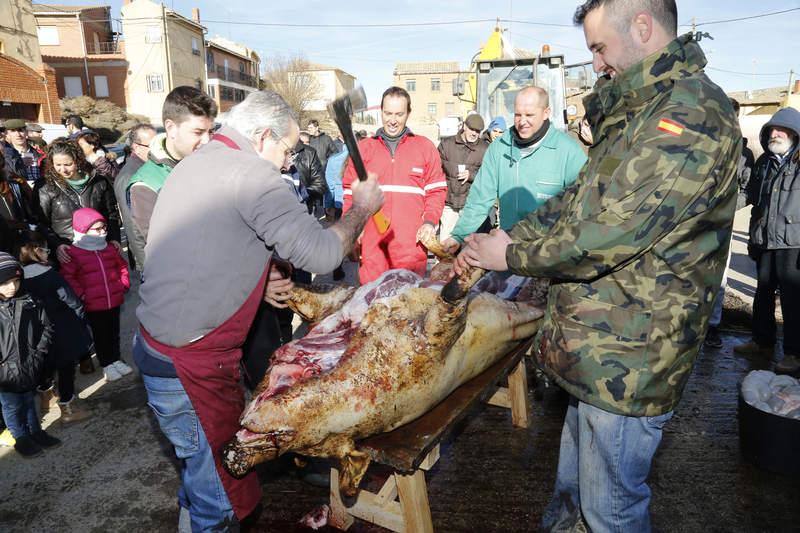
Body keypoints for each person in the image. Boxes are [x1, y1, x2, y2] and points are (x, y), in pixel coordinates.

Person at [455, 1, 741, 530]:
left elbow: (608, 232)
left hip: (632, 360)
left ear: (642, 26)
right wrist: (514, 231)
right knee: (574, 497)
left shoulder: (688, 115)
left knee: (609, 510)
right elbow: (579, 202)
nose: (597, 63)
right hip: (597, 352)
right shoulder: (640, 110)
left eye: (599, 48)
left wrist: (512, 255)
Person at [132, 90, 383, 531]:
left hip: (157, 347)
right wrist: (362, 207)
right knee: (220, 497)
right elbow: (322, 255)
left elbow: (204, 241)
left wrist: (257, 275)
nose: (288, 162)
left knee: (197, 471)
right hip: (191, 362)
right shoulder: (253, 174)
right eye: (287, 150)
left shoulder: (199, 160)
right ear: (263, 136)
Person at [442, 87, 587, 253]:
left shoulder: (568, 151)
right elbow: (479, 199)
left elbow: (583, 207)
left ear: (546, 112)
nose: (522, 121)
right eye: (518, 115)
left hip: (550, 254)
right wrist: (458, 237)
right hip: (508, 252)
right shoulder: (499, 148)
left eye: (529, 115)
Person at [342, 86, 447, 284]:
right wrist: (350, 232)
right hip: (373, 249)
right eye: (388, 113)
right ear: (381, 111)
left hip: (411, 251)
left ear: (408, 113)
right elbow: (349, 195)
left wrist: (429, 221)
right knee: (371, 309)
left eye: (399, 114)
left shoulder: (425, 147)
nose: (392, 120)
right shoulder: (364, 149)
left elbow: (436, 191)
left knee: (408, 310)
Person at [735, 107, 800, 375]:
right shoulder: (764, 163)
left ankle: (795, 354)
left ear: (795, 134)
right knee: (763, 294)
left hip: (793, 244)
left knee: (793, 299)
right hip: (764, 240)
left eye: (781, 130)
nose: (775, 134)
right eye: (772, 130)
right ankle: (762, 342)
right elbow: (749, 196)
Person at [20, 233, 93, 423]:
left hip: (36, 331)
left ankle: (46, 397)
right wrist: (81, 318)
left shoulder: (19, 279)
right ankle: (67, 408)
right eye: (45, 250)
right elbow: (70, 300)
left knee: (44, 363)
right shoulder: (50, 275)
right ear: (36, 252)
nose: (47, 254)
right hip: (62, 327)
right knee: (66, 367)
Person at [127, 86, 217, 241]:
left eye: (210, 131)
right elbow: (161, 246)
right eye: (198, 132)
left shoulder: (211, 163)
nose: (207, 140)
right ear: (171, 128)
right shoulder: (146, 185)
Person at [0, 252, 60, 458]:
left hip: (29, 363)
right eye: (4, 283)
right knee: (11, 406)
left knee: (28, 400)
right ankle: (20, 437)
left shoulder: (29, 301)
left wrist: (38, 352)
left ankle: (35, 431)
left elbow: (46, 326)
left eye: (15, 281)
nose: (11, 287)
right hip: (5, 373)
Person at [60, 208, 130, 382]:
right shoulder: (74, 252)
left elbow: (121, 266)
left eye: (103, 228)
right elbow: (69, 277)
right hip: (93, 304)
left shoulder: (108, 248)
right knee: (101, 335)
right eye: (97, 229)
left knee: (114, 332)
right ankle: (107, 363)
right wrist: (82, 295)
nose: (103, 232)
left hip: (113, 299)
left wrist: (123, 284)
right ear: (83, 230)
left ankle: (116, 359)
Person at [38, 139, 121, 266]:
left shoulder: (99, 182)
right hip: (68, 253)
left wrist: (115, 238)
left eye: (68, 164)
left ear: (78, 161)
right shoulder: (45, 187)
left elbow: (111, 214)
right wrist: (57, 245)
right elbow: (41, 222)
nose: (63, 169)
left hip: (99, 248)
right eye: (57, 165)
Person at [438, 113, 489, 242]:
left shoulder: (485, 149)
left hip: (470, 207)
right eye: (472, 129)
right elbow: (435, 171)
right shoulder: (446, 144)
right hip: (449, 205)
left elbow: (489, 175)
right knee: (446, 247)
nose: (474, 134)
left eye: (478, 131)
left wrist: (472, 175)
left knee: (469, 248)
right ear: (464, 126)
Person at [113, 124, 156, 274]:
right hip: (148, 255)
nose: (157, 148)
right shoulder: (129, 176)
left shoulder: (150, 167)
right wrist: (146, 263)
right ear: (136, 147)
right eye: (152, 145)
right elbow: (132, 224)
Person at [3, 119, 46, 190]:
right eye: (13, 131)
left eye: (20, 130)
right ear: (7, 134)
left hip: (42, 193)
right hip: (21, 195)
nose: (18, 134)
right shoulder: (5, 157)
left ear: (26, 132)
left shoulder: (40, 154)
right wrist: (20, 163)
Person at [293, 132, 327, 214]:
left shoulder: (309, 153)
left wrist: (301, 194)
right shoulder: (266, 152)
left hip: (304, 209)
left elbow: (320, 185)